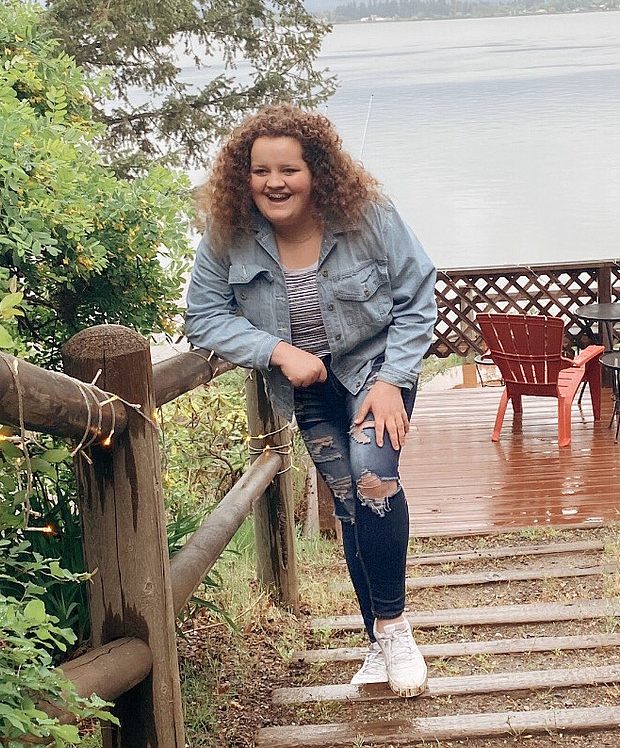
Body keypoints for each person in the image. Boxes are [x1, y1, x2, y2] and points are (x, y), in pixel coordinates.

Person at [184, 104, 437, 697]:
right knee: (348, 500)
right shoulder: (229, 235)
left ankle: (395, 629)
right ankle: (378, 641)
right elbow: (203, 316)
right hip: (308, 386)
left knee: (374, 477)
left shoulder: (366, 214)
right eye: (260, 171)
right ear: (242, 176)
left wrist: (393, 378)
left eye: (289, 169)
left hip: (376, 370)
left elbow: (416, 289)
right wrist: (276, 351)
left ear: (316, 171)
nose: (274, 183)